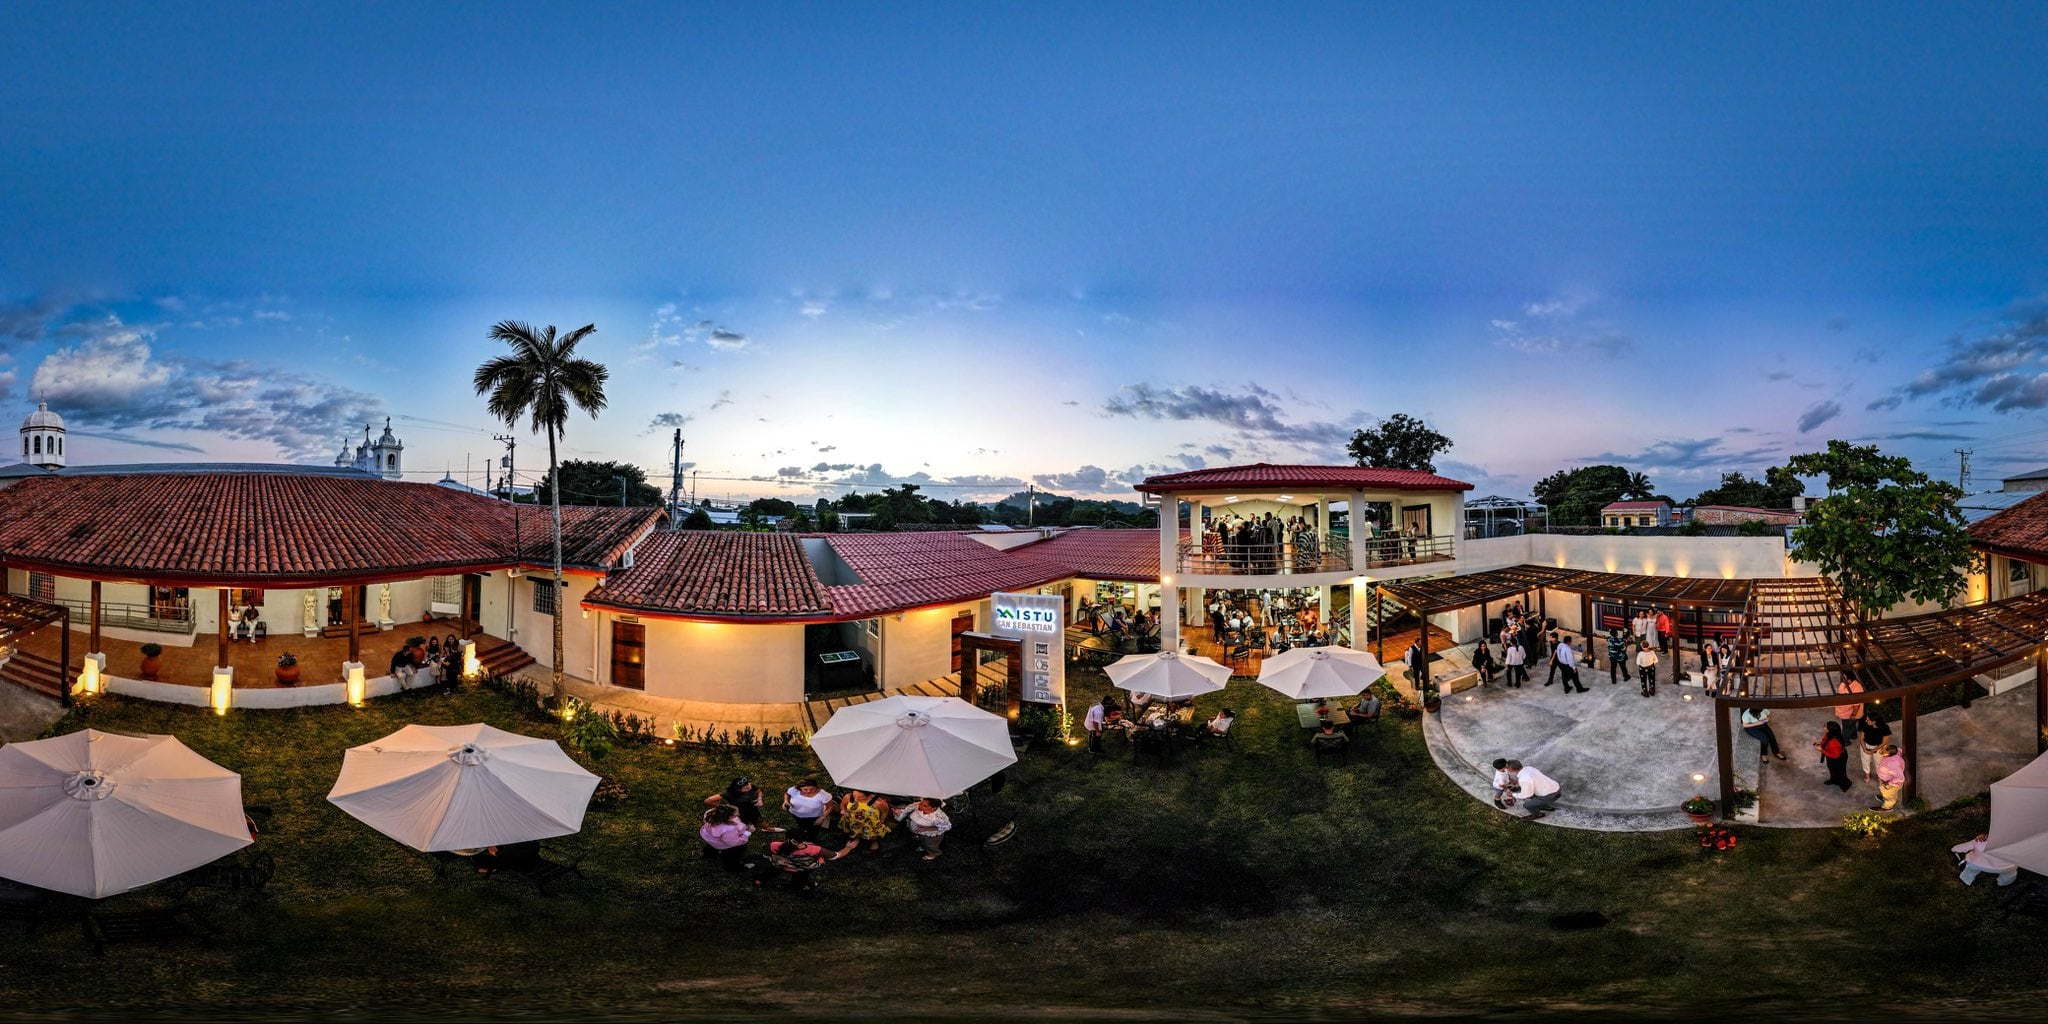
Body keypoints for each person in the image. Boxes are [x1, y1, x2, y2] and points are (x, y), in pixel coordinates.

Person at [754, 837, 838, 890]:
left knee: (771, 871)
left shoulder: (775, 845)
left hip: (780, 865)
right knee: (801, 877)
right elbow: (835, 856)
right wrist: (849, 847)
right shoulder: (813, 849)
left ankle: (759, 881)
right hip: (799, 869)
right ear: (803, 840)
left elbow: (766, 855)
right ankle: (800, 886)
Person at [707, 777, 778, 831]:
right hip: (740, 814)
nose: (750, 788)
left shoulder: (750, 786)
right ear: (738, 789)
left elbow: (759, 791)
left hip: (753, 810)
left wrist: (760, 799)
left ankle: (767, 829)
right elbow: (708, 800)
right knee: (745, 826)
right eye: (746, 788)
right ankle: (747, 827)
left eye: (749, 785)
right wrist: (724, 808)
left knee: (761, 821)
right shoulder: (729, 794)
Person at [699, 804, 755, 872]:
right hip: (723, 845)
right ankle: (732, 868)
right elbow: (734, 842)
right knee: (731, 856)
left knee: (711, 847)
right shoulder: (728, 830)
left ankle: (708, 854)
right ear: (728, 817)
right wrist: (748, 832)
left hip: (709, 837)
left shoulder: (712, 813)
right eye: (736, 814)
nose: (739, 814)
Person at [1951, 833, 2020, 886]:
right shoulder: (2016, 845)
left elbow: (1956, 849)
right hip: (2007, 867)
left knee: (1971, 868)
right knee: (2010, 874)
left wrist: (1976, 840)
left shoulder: (1981, 840)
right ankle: (2004, 883)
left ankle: (1966, 879)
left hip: (1978, 865)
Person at [1855, 711, 1893, 782]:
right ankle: (1867, 774)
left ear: (1874, 721)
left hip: (1878, 747)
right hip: (1866, 744)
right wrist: (1864, 749)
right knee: (1865, 761)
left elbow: (1884, 742)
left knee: (1879, 762)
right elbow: (1861, 738)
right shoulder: (1865, 724)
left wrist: (1874, 750)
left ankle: (1879, 775)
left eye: (1868, 720)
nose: (1866, 721)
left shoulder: (1884, 728)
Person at [1816, 720, 1852, 792]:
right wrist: (1821, 743)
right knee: (1832, 769)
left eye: (1826, 727)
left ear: (1830, 730)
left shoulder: (1834, 742)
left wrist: (1822, 750)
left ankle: (1845, 785)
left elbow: (1835, 755)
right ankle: (1833, 780)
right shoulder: (1830, 734)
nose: (1824, 727)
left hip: (1838, 759)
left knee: (1840, 772)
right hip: (1831, 756)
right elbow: (1825, 739)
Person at [472, 839, 542, 874]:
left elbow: (508, 854)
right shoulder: (533, 844)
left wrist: (495, 852)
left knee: (479, 857)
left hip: (523, 866)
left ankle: (482, 868)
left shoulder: (514, 853)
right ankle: (480, 868)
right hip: (533, 859)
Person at [1872, 744, 1907, 811]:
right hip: (1886, 780)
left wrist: (1888, 784)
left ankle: (1887, 807)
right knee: (1889, 793)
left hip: (1890, 784)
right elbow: (1898, 749)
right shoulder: (1896, 752)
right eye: (1883, 748)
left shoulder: (1892, 765)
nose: (1881, 750)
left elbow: (1900, 778)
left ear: (1890, 754)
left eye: (1883, 751)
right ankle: (1886, 798)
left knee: (1889, 795)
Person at [1834, 672, 1866, 737]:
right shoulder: (1846, 683)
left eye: (1844, 677)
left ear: (1849, 679)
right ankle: (1854, 735)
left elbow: (1856, 705)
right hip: (1846, 712)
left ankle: (1846, 741)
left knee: (1846, 728)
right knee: (1852, 725)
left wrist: (1853, 715)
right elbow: (1841, 692)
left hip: (1850, 713)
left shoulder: (1857, 688)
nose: (1843, 679)